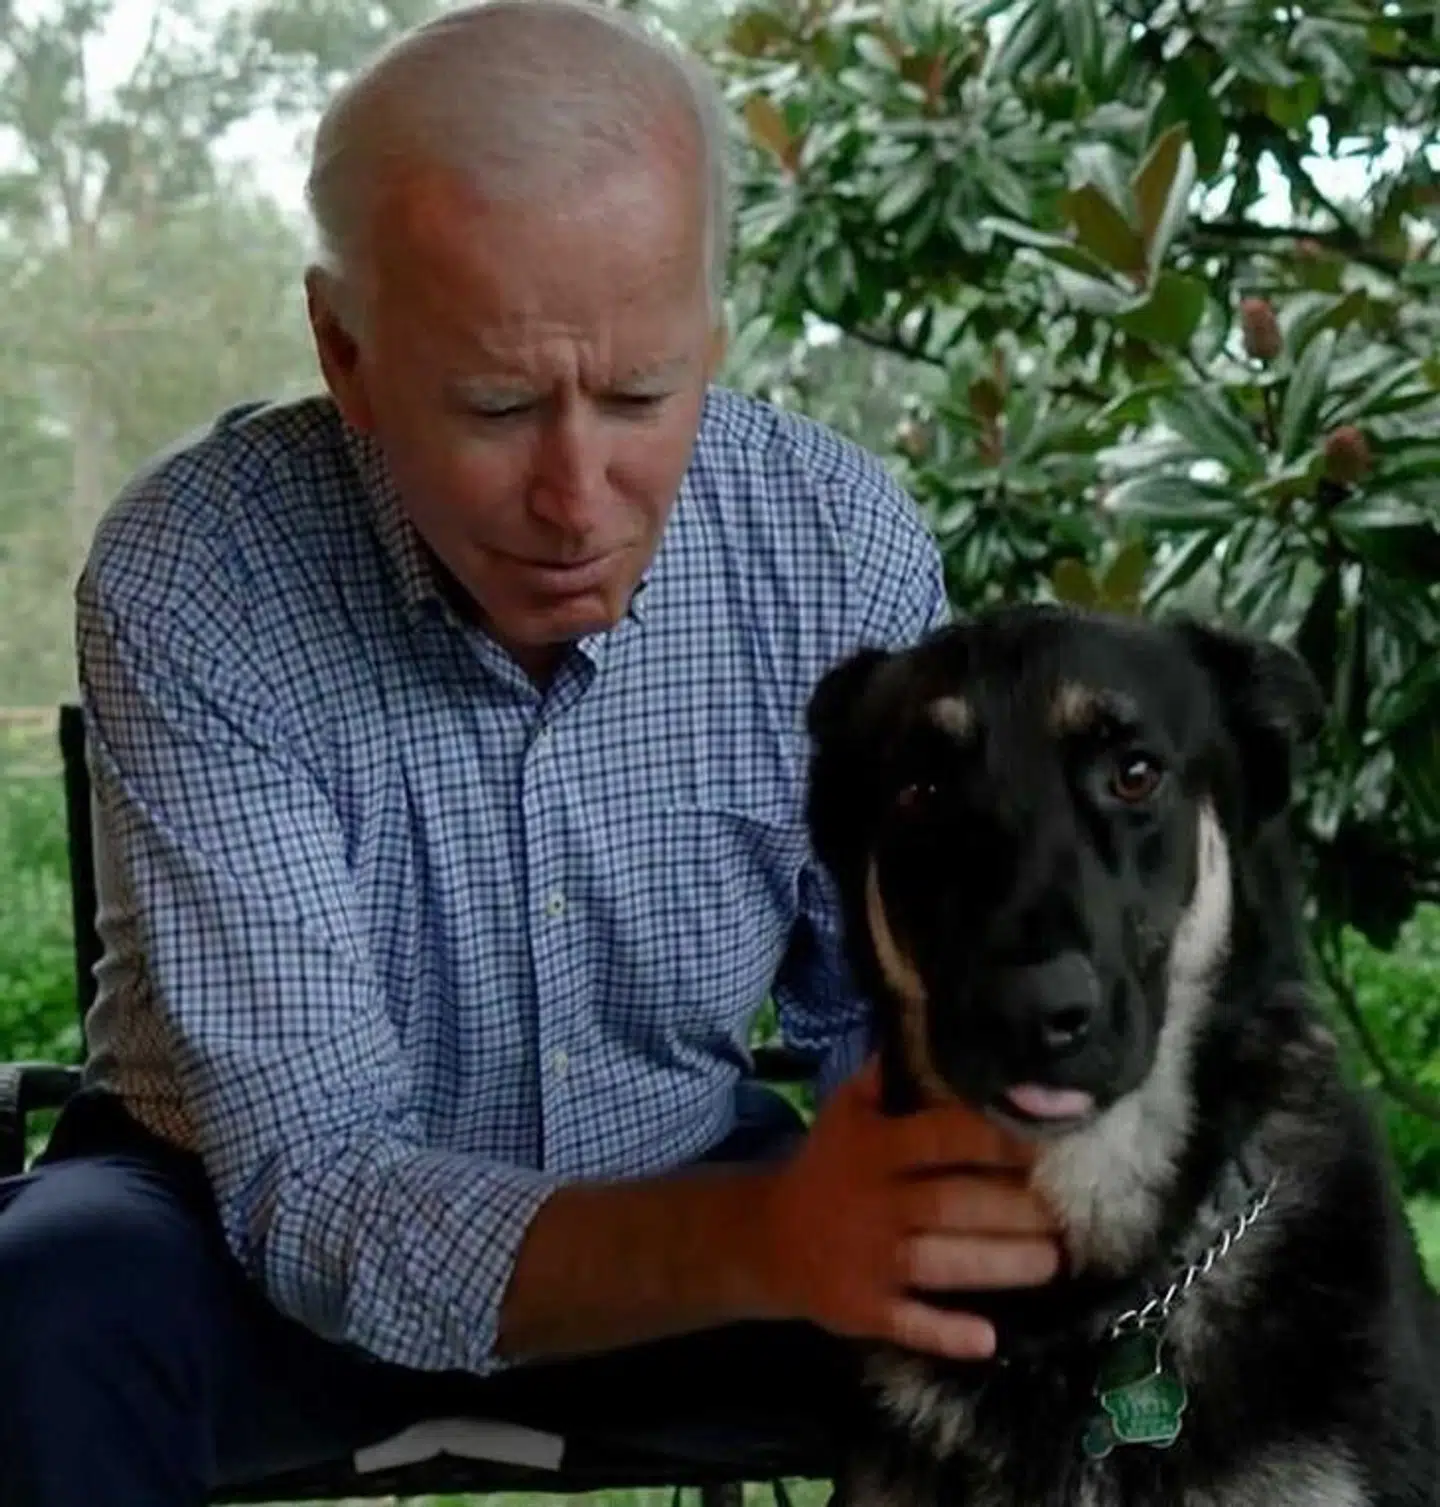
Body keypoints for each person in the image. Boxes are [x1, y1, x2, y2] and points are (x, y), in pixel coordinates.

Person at [0, 2, 1063, 1502]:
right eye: (496, 405)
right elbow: (315, 1194)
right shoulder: (201, 571)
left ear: (711, 333)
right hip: (234, 1226)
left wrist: (979, 1165)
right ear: (344, 349)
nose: (578, 499)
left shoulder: (834, 546)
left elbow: (887, 1022)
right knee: (38, 1299)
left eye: (642, 396)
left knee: (1050, 1326)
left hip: (688, 1195)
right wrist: (771, 1238)